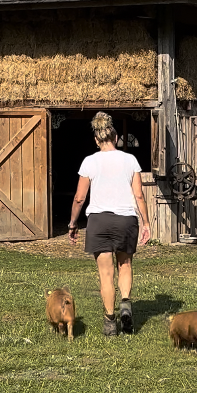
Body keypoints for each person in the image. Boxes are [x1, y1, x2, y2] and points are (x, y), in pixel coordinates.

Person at [68, 112, 151, 336]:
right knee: (125, 265)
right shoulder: (130, 160)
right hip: (126, 220)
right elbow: (139, 196)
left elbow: (79, 198)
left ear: (96, 140)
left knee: (106, 274)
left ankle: (109, 322)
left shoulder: (89, 162)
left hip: (99, 221)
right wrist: (146, 223)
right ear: (114, 137)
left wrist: (73, 223)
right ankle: (125, 305)